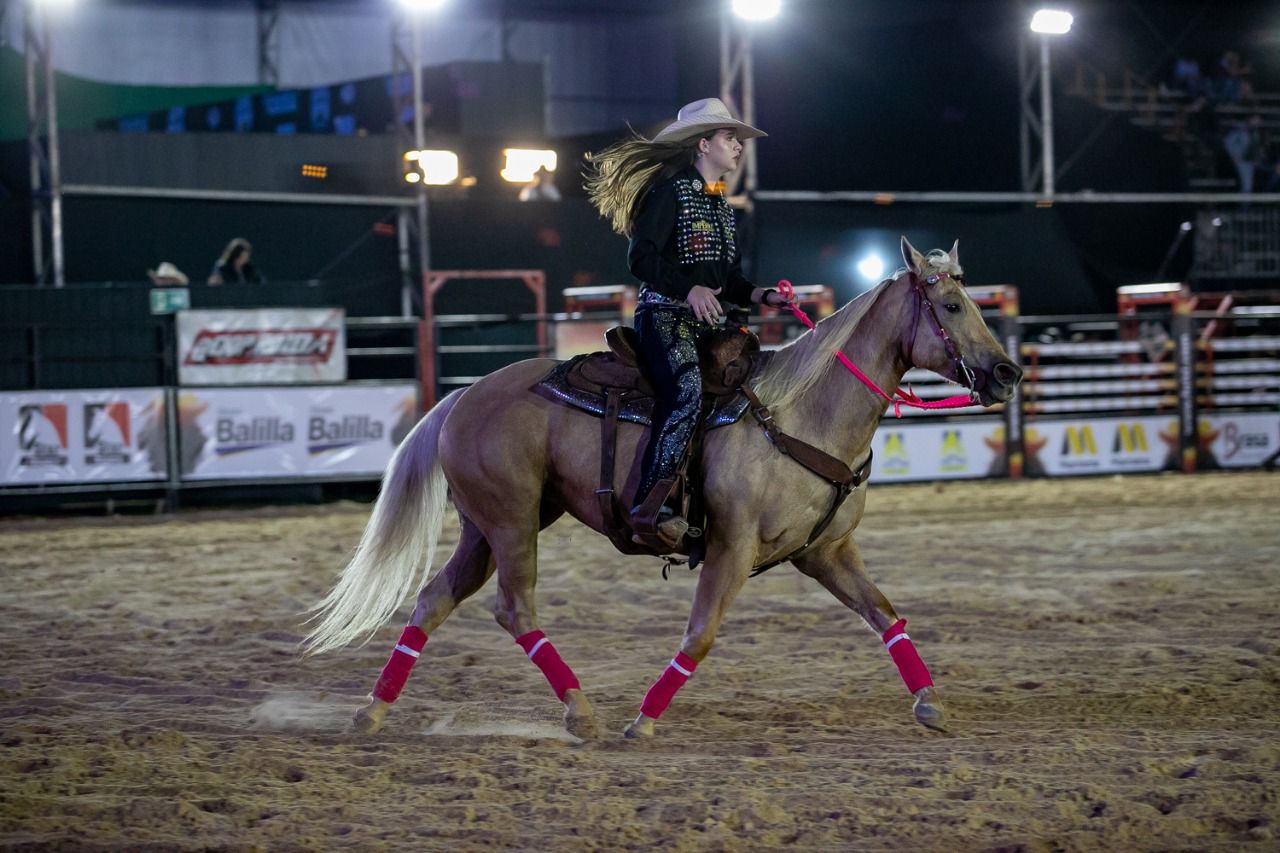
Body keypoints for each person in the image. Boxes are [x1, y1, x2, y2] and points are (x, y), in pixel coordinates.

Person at [584, 97, 792, 548]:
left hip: (711, 324)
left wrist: (760, 295)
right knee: (685, 391)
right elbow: (640, 257)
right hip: (664, 317)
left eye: (737, 140)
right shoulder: (670, 192)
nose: (738, 147)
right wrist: (688, 290)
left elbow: (726, 280)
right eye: (728, 138)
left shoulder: (720, 205)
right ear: (703, 144)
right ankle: (650, 504)